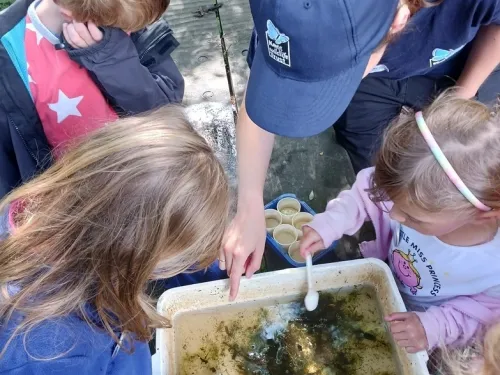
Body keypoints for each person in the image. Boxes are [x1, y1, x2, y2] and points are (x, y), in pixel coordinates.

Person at [222, 0, 500, 299]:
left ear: (398, 20)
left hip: (454, 63)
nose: (398, 212)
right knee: (392, 176)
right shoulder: (292, 12)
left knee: (436, 182)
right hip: (376, 76)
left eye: (330, 72)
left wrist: (461, 96)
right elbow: (261, 105)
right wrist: (249, 206)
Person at [0, 106, 229, 374]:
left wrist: (213, 266)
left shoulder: (53, 216)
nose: (183, 264)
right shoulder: (54, 354)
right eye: (180, 258)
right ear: (135, 251)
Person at [298, 92, 500, 353]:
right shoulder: (410, 189)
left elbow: (484, 314)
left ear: (480, 215)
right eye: (394, 203)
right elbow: (364, 194)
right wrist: (331, 223)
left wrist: (434, 327)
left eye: (413, 218)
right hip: (388, 282)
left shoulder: (492, 266)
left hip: (431, 328)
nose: (393, 216)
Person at [0, 0, 184, 198]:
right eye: (123, 29)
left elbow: (166, 111)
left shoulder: (126, 10)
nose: (132, 31)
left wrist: (113, 59)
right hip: (65, 202)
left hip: (141, 183)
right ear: (72, 17)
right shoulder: (9, 50)